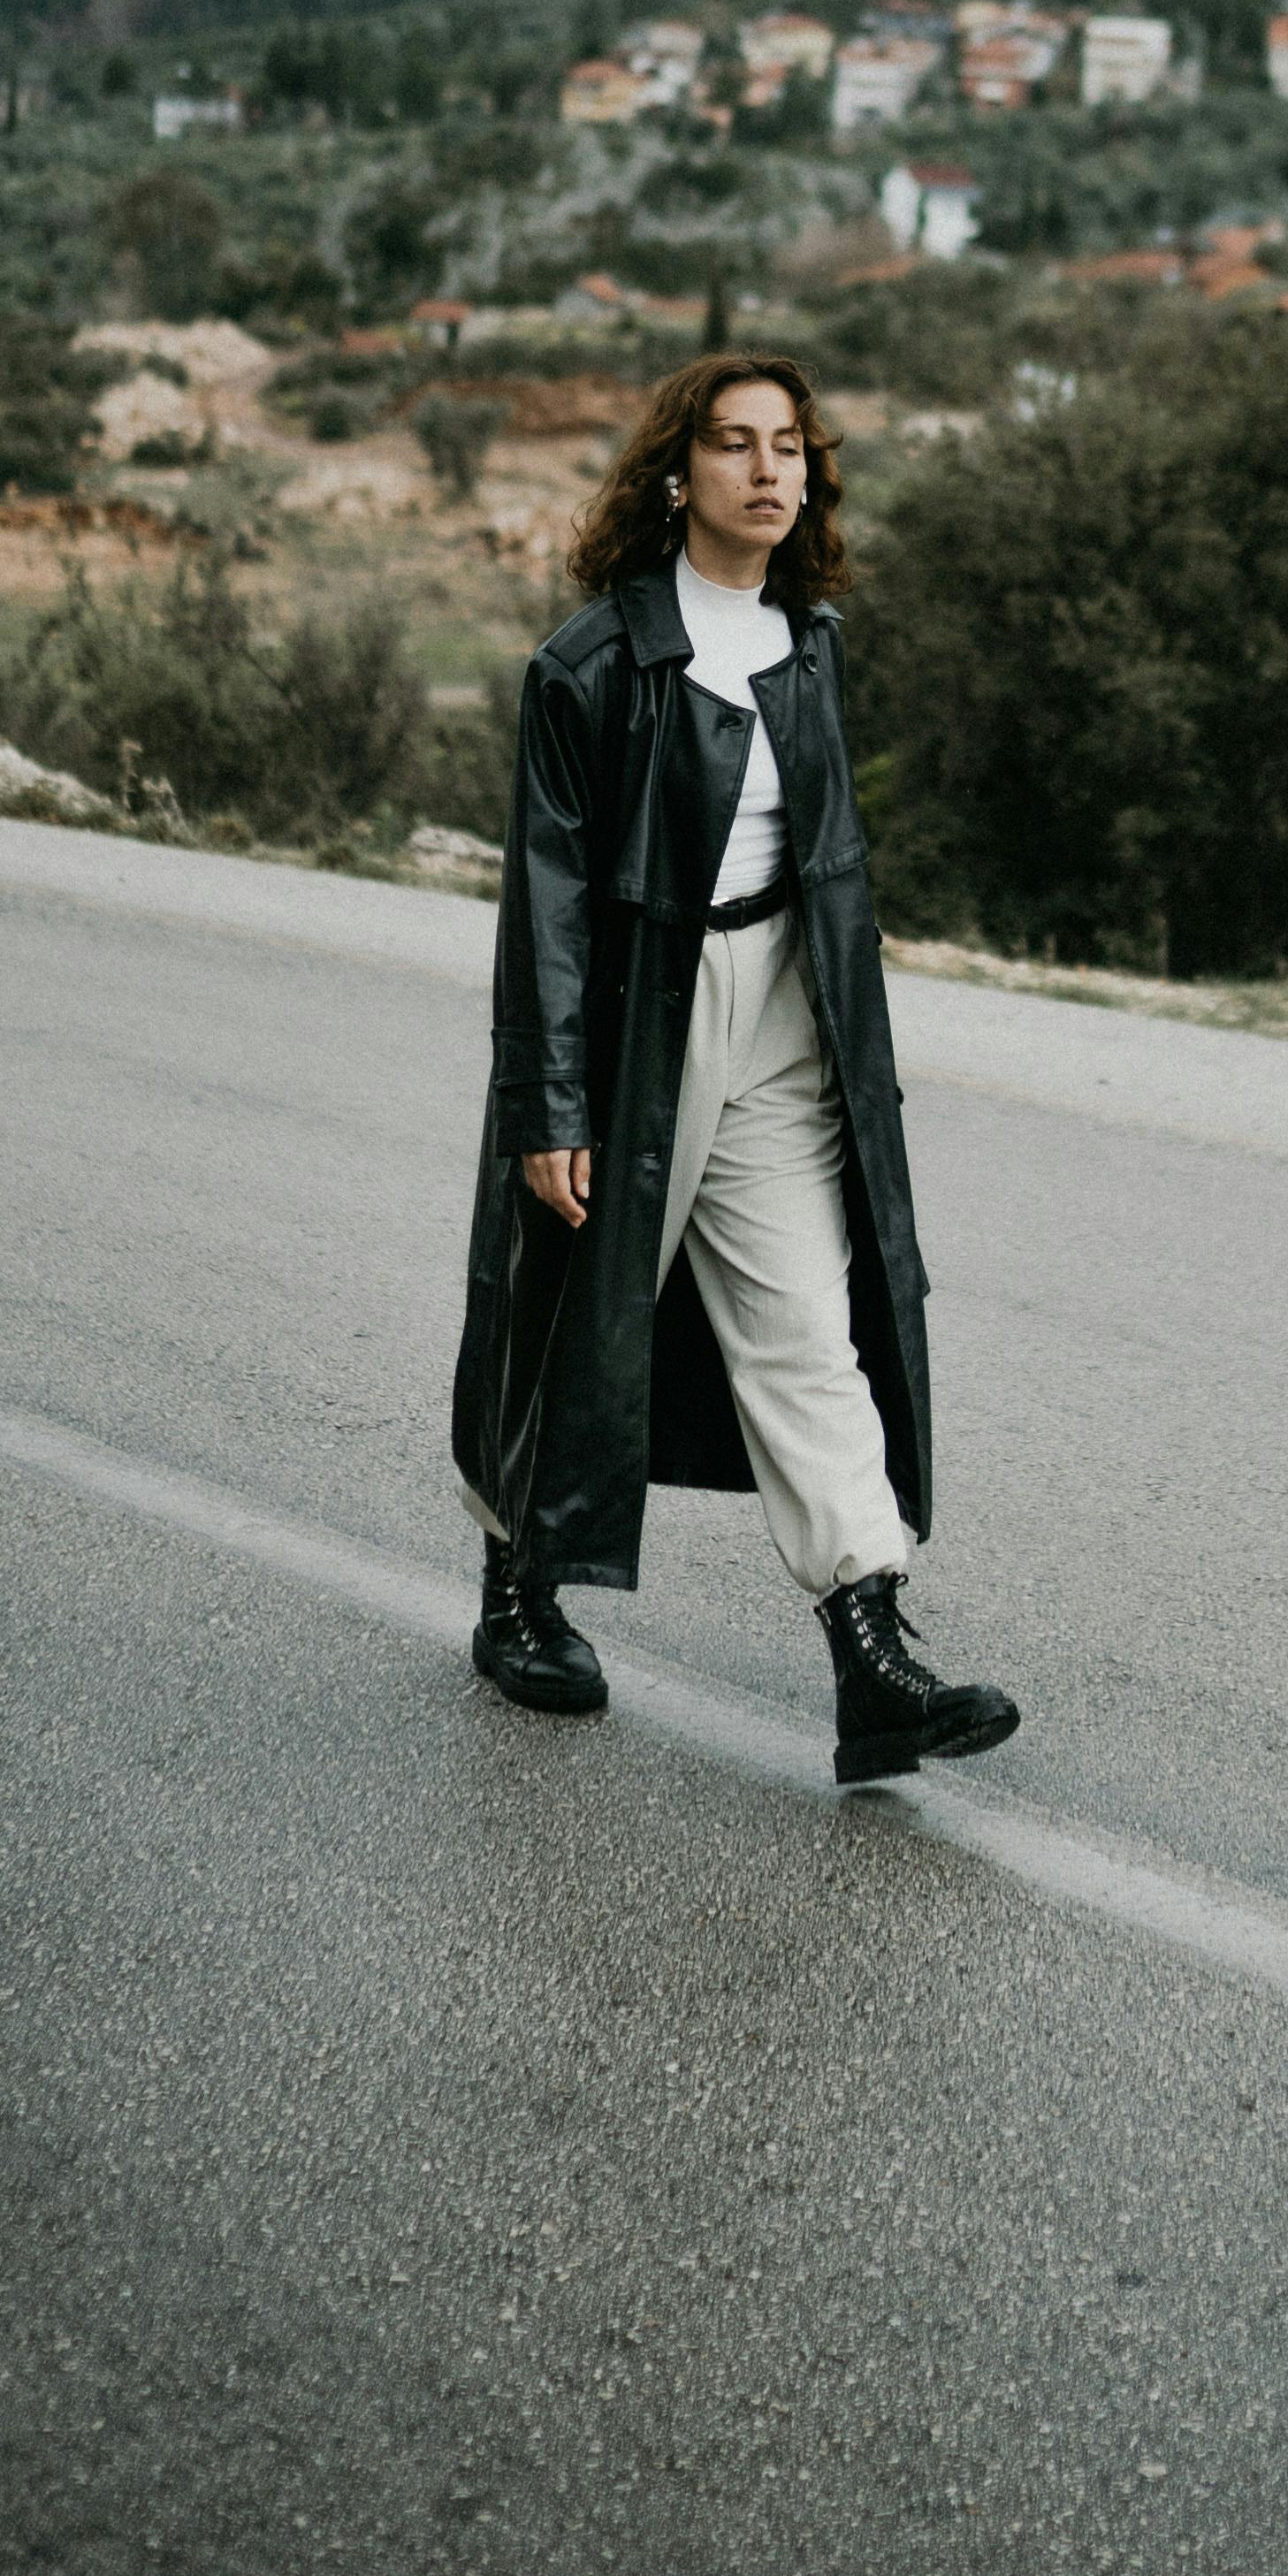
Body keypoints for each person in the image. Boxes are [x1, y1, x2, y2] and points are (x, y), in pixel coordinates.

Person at [451, 347, 1021, 1788]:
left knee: (805, 1320)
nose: (770, 470)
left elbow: (826, 867)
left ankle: (871, 1652)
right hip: (639, 1019)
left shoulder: (807, 642)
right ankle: (518, 1595)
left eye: (789, 447)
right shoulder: (592, 666)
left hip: (778, 1010)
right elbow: (549, 905)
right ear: (676, 470)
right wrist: (551, 1101)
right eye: (734, 444)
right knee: (585, 1306)